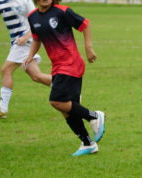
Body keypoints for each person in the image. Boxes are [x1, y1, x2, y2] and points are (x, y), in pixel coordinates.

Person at [26, 0, 106, 156]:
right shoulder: (33, 17)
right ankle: (88, 143)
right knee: (68, 109)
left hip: (71, 63)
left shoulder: (62, 11)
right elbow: (37, 38)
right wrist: (30, 56)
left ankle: (95, 116)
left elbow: (85, 24)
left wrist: (88, 47)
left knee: (56, 101)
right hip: (57, 66)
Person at [0, 0, 52, 118]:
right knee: (36, 76)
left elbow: (37, 21)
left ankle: (2, 108)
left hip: (26, 41)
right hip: (17, 42)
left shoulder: (25, 1)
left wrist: (26, 37)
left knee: (5, 70)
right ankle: (69, 90)